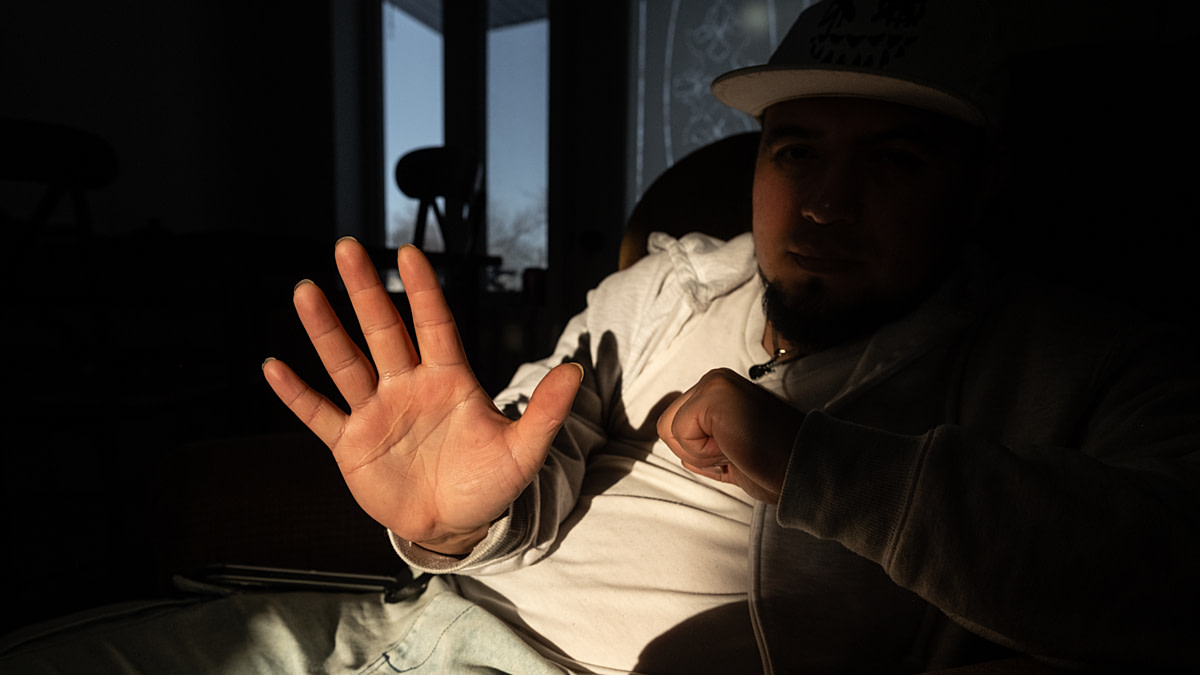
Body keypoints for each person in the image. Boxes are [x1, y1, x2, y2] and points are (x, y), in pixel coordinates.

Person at [3, 0, 1197, 672]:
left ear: (980, 188)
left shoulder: (1090, 364)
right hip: (401, 632)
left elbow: (1159, 580)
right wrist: (460, 518)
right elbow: (528, 467)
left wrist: (815, 465)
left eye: (892, 160)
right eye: (796, 152)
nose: (827, 204)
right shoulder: (668, 287)